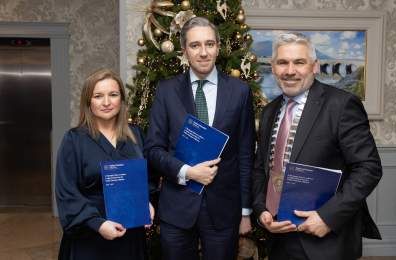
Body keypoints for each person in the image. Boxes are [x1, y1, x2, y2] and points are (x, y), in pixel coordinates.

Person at [252, 32, 382, 260]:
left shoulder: (341, 105)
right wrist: (261, 209)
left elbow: (368, 168)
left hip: (326, 240)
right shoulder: (269, 111)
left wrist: (327, 217)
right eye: (282, 62)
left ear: (314, 66)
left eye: (299, 62)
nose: (290, 70)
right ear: (273, 68)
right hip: (278, 236)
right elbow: (260, 168)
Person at [145, 17, 255, 260]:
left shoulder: (239, 91)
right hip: (177, 209)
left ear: (218, 46)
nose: (203, 52)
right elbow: (153, 149)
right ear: (184, 50)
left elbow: (246, 154)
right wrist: (187, 172)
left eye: (209, 44)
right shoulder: (166, 90)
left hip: (224, 210)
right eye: (195, 45)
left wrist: (246, 211)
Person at [55, 68, 154, 260]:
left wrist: (147, 202)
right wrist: (97, 224)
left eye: (113, 95)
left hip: (131, 233)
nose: (107, 102)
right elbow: (66, 192)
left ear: (121, 100)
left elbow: (147, 178)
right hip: (89, 235)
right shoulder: (74, 140)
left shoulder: (136, 135)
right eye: (98, 96)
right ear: (88, 102)